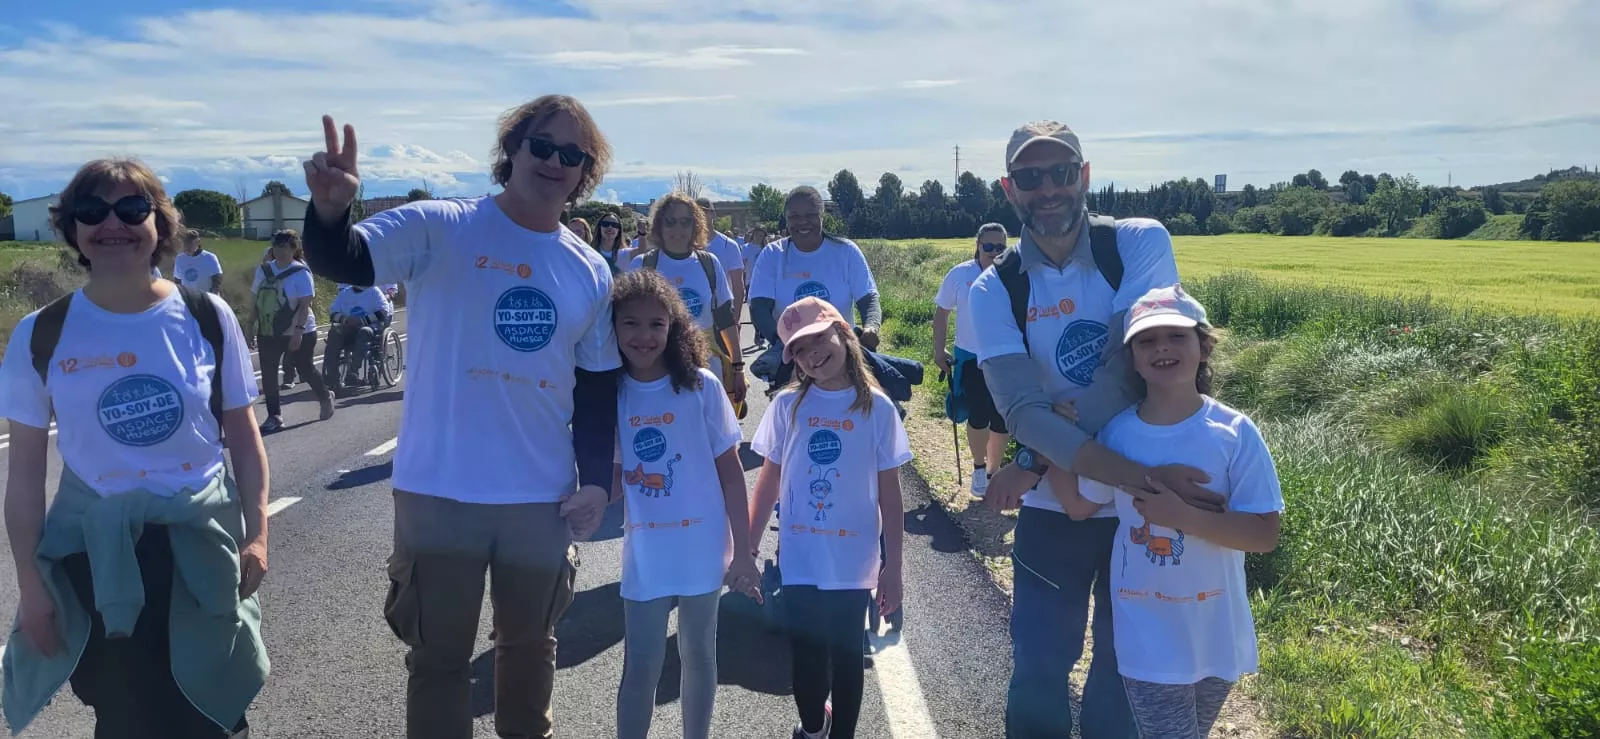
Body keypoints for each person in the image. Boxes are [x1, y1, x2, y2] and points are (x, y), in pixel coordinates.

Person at [298, 95, 619, 739]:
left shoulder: (589, 269)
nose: (554, 162)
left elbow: (595, 386)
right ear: (513, 150)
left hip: (539, 497)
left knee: (529, 651)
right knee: (439, 660)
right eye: (542, 145)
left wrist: (594, 479)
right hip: (440, 491)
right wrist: (331, 209)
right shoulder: (441, 226)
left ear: (585, 175)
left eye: (572, 155)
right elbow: (343, 259)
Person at [967, 120, 1226, 739]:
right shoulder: (992, 287)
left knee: (1124, 668)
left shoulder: (1137, 242)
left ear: (1084, 176)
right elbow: (1020, 409)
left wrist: (1039, 457)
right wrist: (1051, 447)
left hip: (1142, 517)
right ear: (1010, 189)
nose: (1048, 188)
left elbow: (1131, 368)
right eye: (1031, 178)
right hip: (1074, 508)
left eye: (1061, 172)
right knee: (1038, 664)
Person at [0, 158, 269, 738]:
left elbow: (244, 439)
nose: (111, 223)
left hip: (201, 543)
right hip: (98, 555)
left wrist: (259, 533)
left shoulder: (205, 315)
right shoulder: (40, 334)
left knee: (215, 707)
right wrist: (31, 584)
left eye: (131, 208)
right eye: (92, 211)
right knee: (124, 717)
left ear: (160, 223)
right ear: (72, 229)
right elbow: (22, 476)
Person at [1051, 285, 1282, 739]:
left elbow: (1263, 534)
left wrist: (1183, 517)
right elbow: (1079, 505)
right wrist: (1058, 440)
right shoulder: (1117, 436)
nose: (1162, 348)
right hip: (1147, 633)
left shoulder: (1234, 433)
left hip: (1217, 630)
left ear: (1203, 346)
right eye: (1147, 340)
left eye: (1176, 336)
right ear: (1132, 359)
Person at [607, 269, 762, 739]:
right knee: (641, 666)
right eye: (629, 323)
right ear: (610, 328)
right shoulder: (608, 394)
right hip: (647, 551)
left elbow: (731, 473)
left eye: (657, 324)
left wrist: (744, 552)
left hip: (702, 544)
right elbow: (610, 481)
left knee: (700, 654)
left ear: (674, 328)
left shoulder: (702, 387)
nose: (643, 335)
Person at [748, 297, 910, 739]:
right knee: (806, 657)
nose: (812, 354)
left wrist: (892, 567)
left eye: (819, 339)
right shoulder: (788, 407)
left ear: (844, 333)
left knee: (846, 657)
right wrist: (747, 547)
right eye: (799, 349)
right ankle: (815, 726)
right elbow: (767, 483)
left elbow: (891, 497)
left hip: (854, 560)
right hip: (800, 557)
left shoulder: (877, 409)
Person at [626, 192, 749, 412]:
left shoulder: (709, 264)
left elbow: (725, 319)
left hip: (707, 366)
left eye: (685, 222)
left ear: (696, 225)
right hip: (657, 367)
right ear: (659, 226)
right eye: (670, 222)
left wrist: (738, 368)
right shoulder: (642, 265)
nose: (678, 229)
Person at [748, 186, 882, 368]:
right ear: (786, 219)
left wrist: (871, 328)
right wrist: (783, 344)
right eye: (794, 216)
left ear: (822, 215)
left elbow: (868, 298)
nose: (803, 222)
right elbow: (759, 308)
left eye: (810, 215)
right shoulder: (772, 255)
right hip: (794, 359)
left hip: (842, 358)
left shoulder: (846, 251)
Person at [933, 223, 1012, 497]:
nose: (993, 252)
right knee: (979, 412)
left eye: (999, 247)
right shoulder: (960, 274)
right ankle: (979, 469)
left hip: (1004, 355)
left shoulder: (1012, 274)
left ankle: (994, 471)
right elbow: (942, 313)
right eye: (987, 246)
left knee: (1002, 418)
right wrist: (938, 350)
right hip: (969, 356)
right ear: (977, 244)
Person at [249, 229, 334, 432]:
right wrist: (249, 325)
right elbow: (255, 300)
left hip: (300, 330)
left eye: (284, 247)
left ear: (294, 249)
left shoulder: (301, 272)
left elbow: (305, 305)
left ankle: (325, 395)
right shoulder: (264, 270)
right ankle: (274, 415)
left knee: (305, 368)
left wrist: (297, 332)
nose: (279, 252)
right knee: (269, 374)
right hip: (269, 329)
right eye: (277, 247)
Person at [323, 282, 393, 396]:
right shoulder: (345, 293)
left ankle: (353, 370)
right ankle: (332, 375)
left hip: (369, 327)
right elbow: (332, 312)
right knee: (334, 333)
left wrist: (362, 321)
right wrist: (346, 320)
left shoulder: (374, 291)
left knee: (363, 332)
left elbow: (384, 311)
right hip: (348, 328)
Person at [694, 197, 747, 317]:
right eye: (696, 212)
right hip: (693, 314)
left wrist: (736, 317)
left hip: (721, 313)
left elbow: (738, 286)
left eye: (705, 212)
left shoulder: (729, 245)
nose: (701, 215)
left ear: (713, 214)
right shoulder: (685, 245)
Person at [174, 229, 224, 293]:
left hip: (206, 297)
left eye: (190, 243)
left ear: (197, 242)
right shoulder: (179, 258)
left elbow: (217, 279)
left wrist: (213, 295)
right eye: (185, 243)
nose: (187, 246)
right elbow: (177, 280)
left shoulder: (209, 257)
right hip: (187, 299)